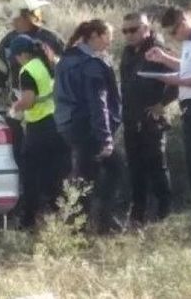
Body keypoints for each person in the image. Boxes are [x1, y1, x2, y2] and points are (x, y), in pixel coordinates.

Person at [0, 0, 65, 203]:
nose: (11, 23)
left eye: (14, 18)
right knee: (24, 162)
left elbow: (66, 76)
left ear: (25, 16)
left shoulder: (52, 40)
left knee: (49, 165)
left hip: (44, 115)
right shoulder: (8, 42)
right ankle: (35, 204)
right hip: (28, 118)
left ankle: (45, 207)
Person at [145, 7, 191, 221]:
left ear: (184, 22)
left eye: (172, 32)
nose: (171, 37)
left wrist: (175, 81)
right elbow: (189, 68)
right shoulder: (190, 43)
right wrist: (164, 59)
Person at [54, 19, 124, 234]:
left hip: (67, 124)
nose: (109, 43)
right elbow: (98, 104)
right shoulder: (92, 65)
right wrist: (106, 139)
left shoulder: (66, 60)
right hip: (88, 129)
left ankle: (94, 222)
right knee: (89, 178)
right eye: (107, 38)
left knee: (92, 173)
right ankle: (85, 228)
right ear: (94, 35)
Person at [119, 12, 177, 226]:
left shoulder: (158, 49)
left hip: (151, 120)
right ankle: (137, 214)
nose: (129, 35)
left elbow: (179, 78)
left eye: (133, 30)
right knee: (135, 168)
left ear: (146, 28)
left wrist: (163, 104)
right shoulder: (128, 52)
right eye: (125, 31)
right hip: (131, 119)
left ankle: (164, 212)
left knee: (156, 167)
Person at [9, 34, 70, 228]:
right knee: (57, 173)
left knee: (30, 174)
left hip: (40, 127)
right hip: (60, 124)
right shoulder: (52, 62)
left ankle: (28, 221)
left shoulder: (28, 70)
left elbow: (28, 100)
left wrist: (14, 109)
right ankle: (63, 218)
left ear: (21, 54)